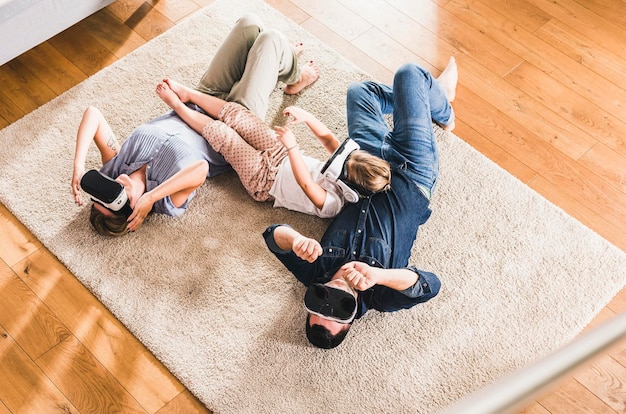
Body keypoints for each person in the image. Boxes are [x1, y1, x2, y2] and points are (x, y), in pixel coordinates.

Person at [262, 57, 458, 348]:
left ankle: (424, 100)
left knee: (360, 92)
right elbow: (430, 285)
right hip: (412, 172)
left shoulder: (315, 270)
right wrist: (380, 274)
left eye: (321, 299)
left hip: (365, 165)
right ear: (351, 316)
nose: (335, 290)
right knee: (408, 74)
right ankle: (442, 107)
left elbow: (272, 236)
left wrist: (296, 239)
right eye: (340, 306)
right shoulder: (379, 294)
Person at [70, 13, 320, 236]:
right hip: (238, 123)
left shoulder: (114, 165)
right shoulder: (167, 200)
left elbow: (93, 115)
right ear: (133, 212)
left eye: (101, 192)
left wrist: (79, 168)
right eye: (113, 199)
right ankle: (294, 75)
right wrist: (150, 197)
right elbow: (200, 168)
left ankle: (278, 62)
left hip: (200, 96)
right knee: (271, 40)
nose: (111, 187)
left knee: (248, 24)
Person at [155, 80, 392, 218]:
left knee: (224, 135)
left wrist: (293, 147)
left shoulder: (334, 204)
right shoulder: (351, 163)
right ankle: (190, 94)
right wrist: (307, 117)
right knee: (240, 117)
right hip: (280, 153)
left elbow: (306, 184)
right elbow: (330, 140)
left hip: (264, 180)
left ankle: (177, 105)